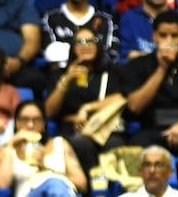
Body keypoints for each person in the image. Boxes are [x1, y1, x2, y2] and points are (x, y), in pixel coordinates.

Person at [120, 10, 178, 166]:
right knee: (136, 145)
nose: (169, 41)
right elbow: (134, 107)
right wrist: (162, 68)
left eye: (174, 36)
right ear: (154, 36)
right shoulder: (137, 65)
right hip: (153, 130)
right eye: (163, 35)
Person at [43, 27, 126, 177]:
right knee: (80, 143)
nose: (85, 46)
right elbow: (49, 111)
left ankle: (112, 186)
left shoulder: (112, 72)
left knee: (115, 143)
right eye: (80, 42)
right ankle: (91, 185)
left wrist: (87, 108)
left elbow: (122, 97)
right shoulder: (59, 75)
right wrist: (66, 80)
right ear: (73, 47)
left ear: (98, 45)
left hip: (104, 126)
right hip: (73, 129)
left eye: (90, 41)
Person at [0, 100, 87, 197]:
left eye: (36, 120)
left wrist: (45, 167)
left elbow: (81, 183)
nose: (30, 125)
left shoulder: (60, 144)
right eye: (25, 120)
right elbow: (1, 185)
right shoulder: (8, 149)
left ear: (43, 124)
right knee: (53, 182)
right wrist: (11, 145)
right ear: (17, 123)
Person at [41, 0, 118, 62]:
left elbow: (110, 56)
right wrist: (90, 51)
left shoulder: (106, 20)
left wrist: (66, 50)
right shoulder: (50, 18)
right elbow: (50, 54)